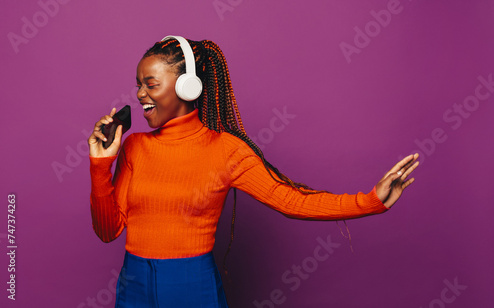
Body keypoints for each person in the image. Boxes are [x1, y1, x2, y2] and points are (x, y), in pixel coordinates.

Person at [87, 35, 419, 308]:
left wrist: (372, 200)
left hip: (191, 286)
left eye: (150, 84)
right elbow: (107, 230)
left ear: (188, 87)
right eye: (138, 85)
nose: (140, 94)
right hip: (134, 286)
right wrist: (100, 164)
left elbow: (291, 202)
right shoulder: (133, 147)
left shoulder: (226, 150)